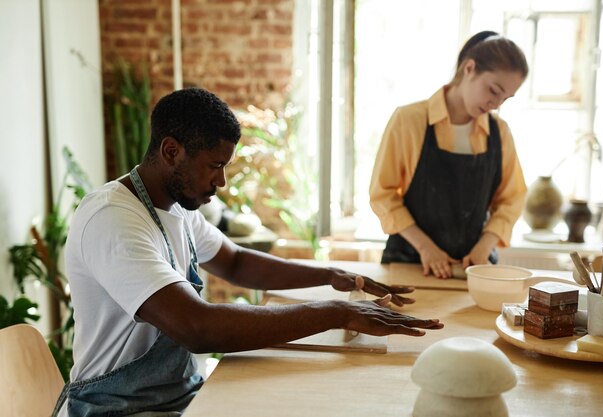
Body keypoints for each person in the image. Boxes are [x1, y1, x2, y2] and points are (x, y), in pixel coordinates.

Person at [52, 87, 443, 416]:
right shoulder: (113, 220)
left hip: (177, 397)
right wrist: (337, 312)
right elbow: (198, 328)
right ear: (171, 151)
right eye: (214, 166)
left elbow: (236, 262)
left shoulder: (176, 208)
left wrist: (328, 276)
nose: (220, 181)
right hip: (115, 409)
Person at [369, 31, 528, 279]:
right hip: (410, 265)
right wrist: (425, 247)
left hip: (474, 270)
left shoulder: (500, 132)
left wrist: (485, 246)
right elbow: (383, 195)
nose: (496, 104)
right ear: (469, 68)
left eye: (505, 98)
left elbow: (512, 199)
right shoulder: (409, 120)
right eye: (493, 90)